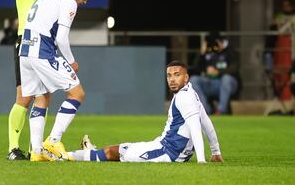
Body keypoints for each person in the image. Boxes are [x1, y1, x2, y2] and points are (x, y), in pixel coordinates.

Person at [67, 61, 223, 163]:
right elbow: (206, 122)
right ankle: (89, 151)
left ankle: (65, 156)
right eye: (169, 75)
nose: (172, 79)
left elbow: (196, 127)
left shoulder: (183, 97)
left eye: (177, 75)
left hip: (166, 152)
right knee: (121, 147)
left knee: (111, 153)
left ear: (186, 77)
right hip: (166, 147)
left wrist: (201, 160)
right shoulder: (191, 92)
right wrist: (215, 152)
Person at [18, 0, 97, 161]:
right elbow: (61, 38)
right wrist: (71, 61)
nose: (85, 1)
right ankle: (54, 140)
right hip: (42, 50)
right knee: (77, 93)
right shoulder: (69, 1)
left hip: (26, 50)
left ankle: (37, 152)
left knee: (42, 97)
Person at [7, 0, 66, 160]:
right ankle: (13, 148)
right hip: (26, 39)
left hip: (47, 43)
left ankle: (36, 148)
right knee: (23, 97)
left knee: (44, 95)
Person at [190, 32, 239, 115]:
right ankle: (205, 111)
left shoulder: (230, 51)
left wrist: (218, 71)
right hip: (211, 83)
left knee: (226, 78)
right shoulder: (207, 52)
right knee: (193, 80)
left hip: (227, 84)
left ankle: (221, 110)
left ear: (221, 42)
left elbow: (234, 68)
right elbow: (196, 69)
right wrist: (201, 54)